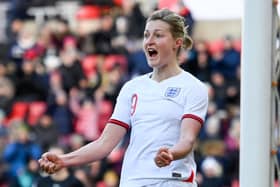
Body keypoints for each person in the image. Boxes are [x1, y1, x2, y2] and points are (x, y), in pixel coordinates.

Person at [38, 8, 208, 187]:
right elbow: (105, 144)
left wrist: (172, 154)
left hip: (172, 181)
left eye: (158, 35)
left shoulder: (193, 87)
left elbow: (187, 140)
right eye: (146, 35)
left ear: (176, 42)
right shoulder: (132, 88)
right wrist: (64, 160)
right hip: (132, 182)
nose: (149, 41)